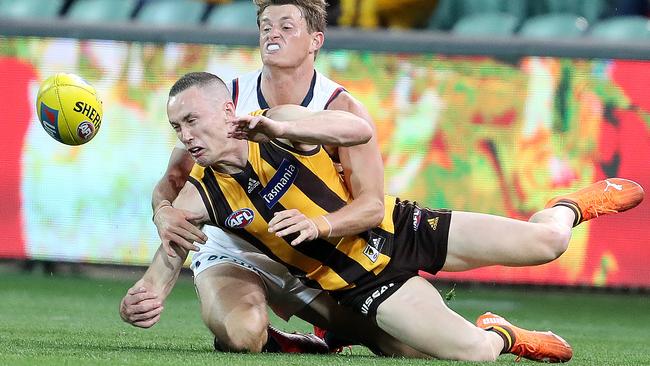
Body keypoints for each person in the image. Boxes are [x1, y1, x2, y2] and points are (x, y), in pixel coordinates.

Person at [164, 71, 644, 362]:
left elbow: (357, 129)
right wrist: (154, 257)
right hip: (365, 283)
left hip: (400, 227)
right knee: (472, 352)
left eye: (192, 120)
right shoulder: (203, 190)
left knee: (549, 245)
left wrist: (283, 128)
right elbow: (171, 234)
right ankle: (505, 333)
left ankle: (567, 207)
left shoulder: (276, 121)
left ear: (228, 109)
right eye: (176, 126)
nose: (185, 135)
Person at [122, 0, 422, 356]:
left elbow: (368, 198)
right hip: (235, 248)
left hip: (305, 252)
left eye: (285, 25)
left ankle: (333, 328)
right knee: (243, 336)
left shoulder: (337, 106)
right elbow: (175, 179)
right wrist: (161, 212)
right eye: (266, 26)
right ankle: (281, 342)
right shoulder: (225, 99)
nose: (273, 34)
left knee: (405, 348)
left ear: (315, 39)